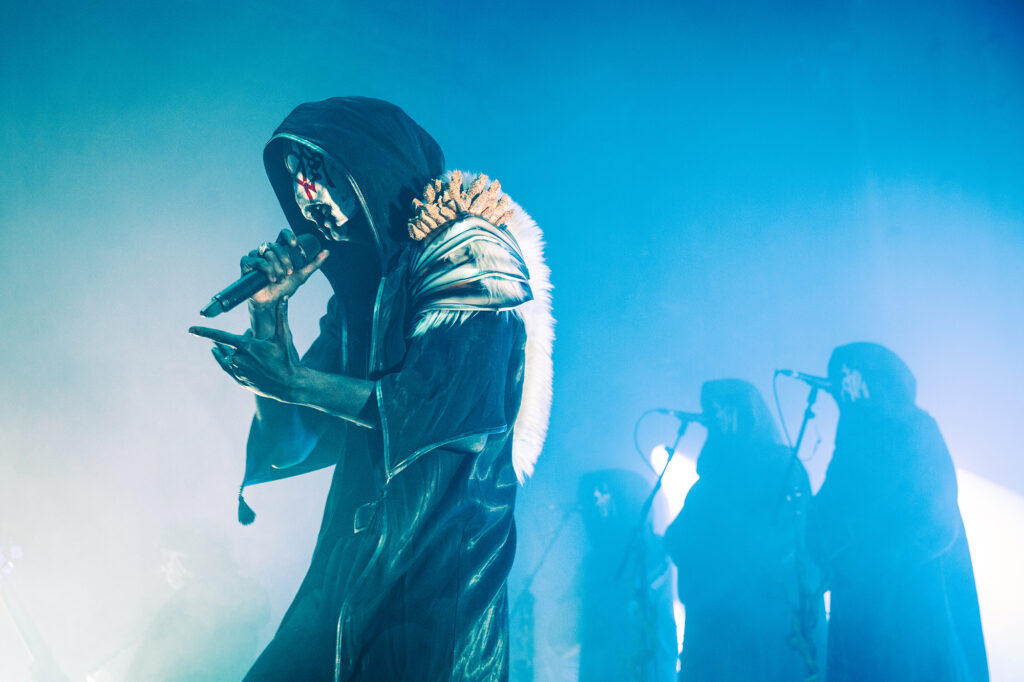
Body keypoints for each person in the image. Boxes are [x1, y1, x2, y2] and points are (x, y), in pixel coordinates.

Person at [189, 97, 552, 681]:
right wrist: (268, 314)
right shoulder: (360, 295)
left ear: (372, 165)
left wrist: (297, 382)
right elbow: (294, 442)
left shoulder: (470, 253)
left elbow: (444, 417)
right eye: (294, 180)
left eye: (320, 172)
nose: (307, 195)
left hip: (435, 579)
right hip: (350, 564)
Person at [809, 342, 988, 682]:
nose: (847, 390)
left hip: (913, 605)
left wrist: (870, 562)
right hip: (861, 606)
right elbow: (829, 506)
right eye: (842, 382)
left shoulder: (916, 428)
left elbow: (936, 521)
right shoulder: (851, 440)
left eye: (853, 379)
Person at [663, 379, 824, 681]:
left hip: (764, 625)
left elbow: (798, 538)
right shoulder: (708, 483)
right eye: (714, 411)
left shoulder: (780, 466)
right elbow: (676, 539)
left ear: (750, 413)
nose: (720, 418)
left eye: (728, 410)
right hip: (715, 627)